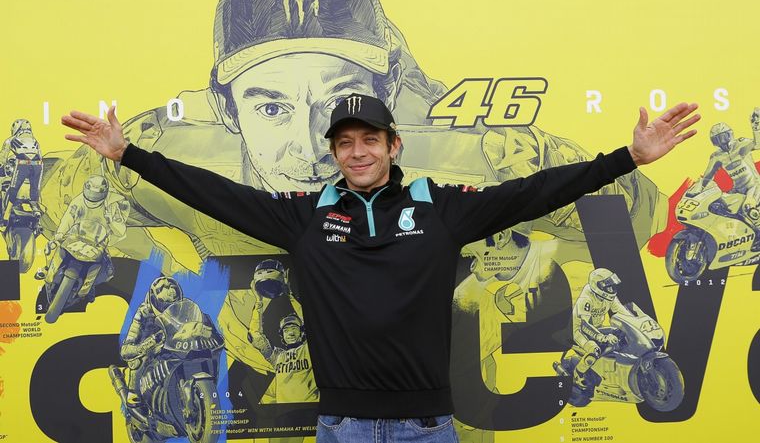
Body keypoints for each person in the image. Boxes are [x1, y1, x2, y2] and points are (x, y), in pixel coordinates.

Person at [61, 93, 697, 441]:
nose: (358, 152)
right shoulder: (304, 216)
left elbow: (537, 192)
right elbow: (214, 194)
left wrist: (628, 159)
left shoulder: (442, 209)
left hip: (429, 427)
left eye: (370, 139)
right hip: (340, 427)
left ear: (394, 145)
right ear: (335, 153)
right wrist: (128, 155)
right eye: (345, 143)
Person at [40, 0, 665, 277]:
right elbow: (58, 195)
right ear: (228, 110)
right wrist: (118, 162)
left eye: (338, 103)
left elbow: (632, 216)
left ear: (387, 98)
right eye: (272, 106)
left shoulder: (458, 174)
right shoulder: (182, 158)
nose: (312, 143)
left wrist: (625, 164)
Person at [693, 110, 760, 247]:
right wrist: (697, 190)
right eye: (718, 139)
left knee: (748, 207)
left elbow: (757, 144)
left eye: (724, 136)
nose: (723, 141)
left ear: (730, 134)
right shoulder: (717, 157)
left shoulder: (740, 144)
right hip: (737, 189)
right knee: (720, 206)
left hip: (754, 186)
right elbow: (707, 177)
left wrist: (756, 127)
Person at [119, 276, 184, 407]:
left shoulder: (184, 310)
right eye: (164, 305)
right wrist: (150, 343)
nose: (167, 310)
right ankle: (134, 392)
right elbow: (126, 350)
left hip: (175, 348)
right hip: (152, 351)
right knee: (140, 360)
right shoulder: (143, 313)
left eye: (172, 306)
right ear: (154, 299)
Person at [570, 268, 634, 389]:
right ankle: (577, 375)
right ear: (598, 286)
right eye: (608, 287)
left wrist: (635, 322)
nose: (612, 289)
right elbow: (585, 325)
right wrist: (603, 337)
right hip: (579, 331)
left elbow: (621, 310)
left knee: (621, 334)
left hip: (597, 328)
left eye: (613, 286)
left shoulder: (609, 297)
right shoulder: (586, 299)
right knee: (594, 351)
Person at [0, 118, 43, 227]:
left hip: (23, 164)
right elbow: (40, 156)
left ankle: (6, 216)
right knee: (35, 188)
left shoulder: (11, 139)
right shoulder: (35, 140)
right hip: (38, 165)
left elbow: (2, 158)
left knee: (13, 188)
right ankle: (35, 209)